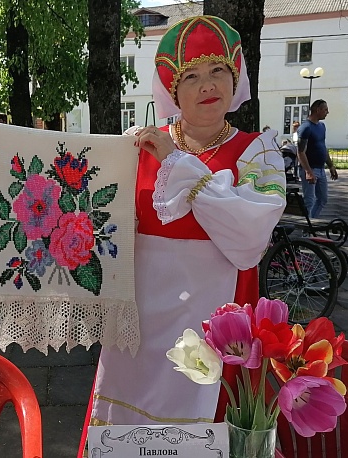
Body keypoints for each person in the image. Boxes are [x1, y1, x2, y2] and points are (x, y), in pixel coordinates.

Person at [79, 16, 286, 451]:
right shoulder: (137, 144)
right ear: (172, 90)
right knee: (129, 421)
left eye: (218, 71)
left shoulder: (258, 149)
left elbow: (249, 238)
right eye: (191, 76)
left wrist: (177, 161)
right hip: (140, 316)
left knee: (207, 424)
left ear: (235, 78)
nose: (207, 85)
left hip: (217, 315)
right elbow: (74, 187)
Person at [296, 99, 337, 218]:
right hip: (310, 169)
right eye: (325, 109)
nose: (327, 112)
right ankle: (306, 226)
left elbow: (322, 147)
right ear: (318, 110)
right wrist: (308, 172)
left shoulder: (322, 126)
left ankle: (311, 223)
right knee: (309, 201)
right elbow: (300, 152)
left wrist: (331, 165)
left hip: (320, 169)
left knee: (322, 199)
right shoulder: (306, 128)